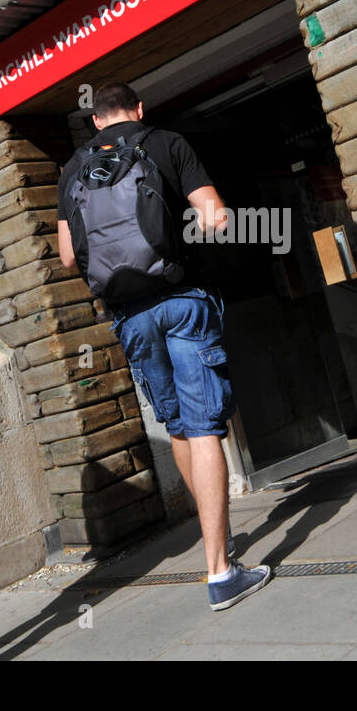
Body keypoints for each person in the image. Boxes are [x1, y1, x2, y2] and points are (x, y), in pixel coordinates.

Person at [56, 83, 272, 611]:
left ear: (95, 121)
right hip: (182, 300)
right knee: (204, 426)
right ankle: (220, 570)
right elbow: (216, 216)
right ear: (138, 110)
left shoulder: (72, 169)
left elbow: (67, 258)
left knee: (176, 424)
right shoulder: (166, 143)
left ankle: (215, 535)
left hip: (130, 316)